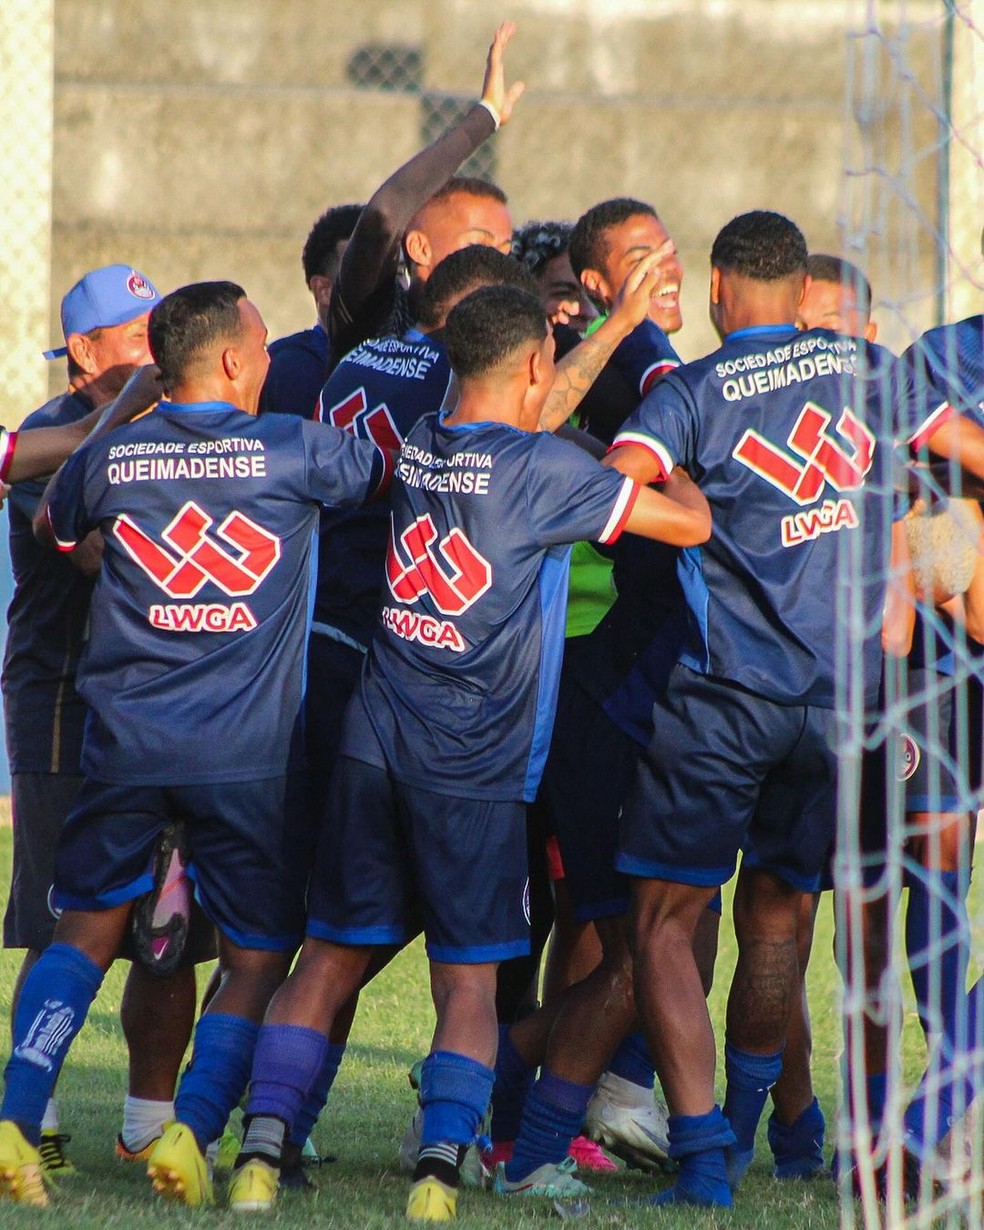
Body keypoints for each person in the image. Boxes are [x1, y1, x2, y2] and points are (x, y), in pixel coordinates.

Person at [225, 279, 711, 1222]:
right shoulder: (544, 472)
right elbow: (687, 525)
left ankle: (259, 1151)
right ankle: (439, 1172)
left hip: (374, 735)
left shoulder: (418, 444)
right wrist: (668, 465)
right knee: (468, 979)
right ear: (533, 364)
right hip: (474, 763)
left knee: (324, 958)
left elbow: (527, 414)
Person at [607, 210, 984, 1208]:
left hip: (728, 695)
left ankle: (703, 1164)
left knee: (662, 922)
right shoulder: (871, 370)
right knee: (780, 915)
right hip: (845, 703)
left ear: (726, 289)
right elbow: (968, 450)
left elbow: (615, 486)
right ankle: (752, 1123)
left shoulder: (696, 388)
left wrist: (686, 505)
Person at [0, 280, 390, 1209]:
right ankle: (194, 1127)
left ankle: (16, 1118)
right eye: (259, 350)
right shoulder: (297, 447)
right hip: (245, 755)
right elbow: (383, 474)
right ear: (228, 360)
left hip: (124, 746)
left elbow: (57, 527)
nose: (267, 365)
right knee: (256, 953)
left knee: (83, 935)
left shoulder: (112, 456)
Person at [1, 264, 208, 1174]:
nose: (154, 355)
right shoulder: (53, 438)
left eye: (161, 334)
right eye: (135, 338)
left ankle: (142, 1126)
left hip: (159, 710)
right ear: (85, 352)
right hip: (64, 698)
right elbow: (90, 555)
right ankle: (28, 1118)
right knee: (62, 921)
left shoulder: (171, 432)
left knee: (169, 927)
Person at [325, 22, 522, 371]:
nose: (497, 260)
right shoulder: (378, 315)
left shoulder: (514, 331)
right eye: (480, 242)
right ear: (419, 248)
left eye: (506, 249)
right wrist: (486, 117)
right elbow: (384, 216)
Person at [259, 203, 363, 417]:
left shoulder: (422, 356)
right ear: (324, 290)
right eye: (365, 274)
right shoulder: (294, 366)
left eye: (399, 272)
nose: (391, 286)